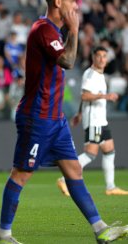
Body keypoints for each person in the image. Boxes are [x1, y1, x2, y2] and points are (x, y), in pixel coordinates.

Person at [0, 0, 128, 244]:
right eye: (72, 0)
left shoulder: (52, 31)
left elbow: (61, 47)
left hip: (55, 119)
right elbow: (66, 61)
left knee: (75, 171)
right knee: (21, 174)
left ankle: (99, 228)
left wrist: (69, 28)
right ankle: (4, 234)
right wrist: (75, 30)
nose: (76, 5)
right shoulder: (43, 29)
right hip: (37, 117)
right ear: (58, 3)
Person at [57, 46, 128, 196]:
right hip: (94, 120)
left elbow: (86, 97)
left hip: (101, 120)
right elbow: (85, 96)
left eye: (104, 56)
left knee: (109, 151)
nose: (102, 59)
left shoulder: (100, 75)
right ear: (93, 57)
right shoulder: (90, 75)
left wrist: (78, 113)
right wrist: (105, 97)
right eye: (99, 56)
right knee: (90, 154)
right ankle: (64, 179)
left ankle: (110, 187)